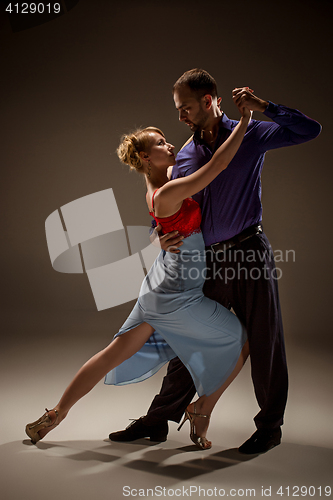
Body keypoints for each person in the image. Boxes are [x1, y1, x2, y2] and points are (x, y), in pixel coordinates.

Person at [109, 69, 322, 454]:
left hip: (250, 252)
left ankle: (270, 427)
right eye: (177, 110)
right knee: (188, 338)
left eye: (185, 107)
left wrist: (266, 107)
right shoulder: (186, 154)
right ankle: (158, 421)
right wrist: (159, 232)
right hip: (208, 260)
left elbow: (310, 130)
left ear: (209, 100)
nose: (180, 117)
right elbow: (167, 200)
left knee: (264, 339)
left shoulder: (251, 133)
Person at [25, 102, 252, 450]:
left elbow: (158, 215)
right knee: (242, 341)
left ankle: (56, 413)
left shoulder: (156, 186)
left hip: (157, 288)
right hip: (177, 296)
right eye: (160, 143)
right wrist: (247, 121)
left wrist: (157, 237)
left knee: (111, 354)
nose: (170, 145)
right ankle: (202, 409)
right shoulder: (168, 191)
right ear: (146, 158)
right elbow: (219, 164)